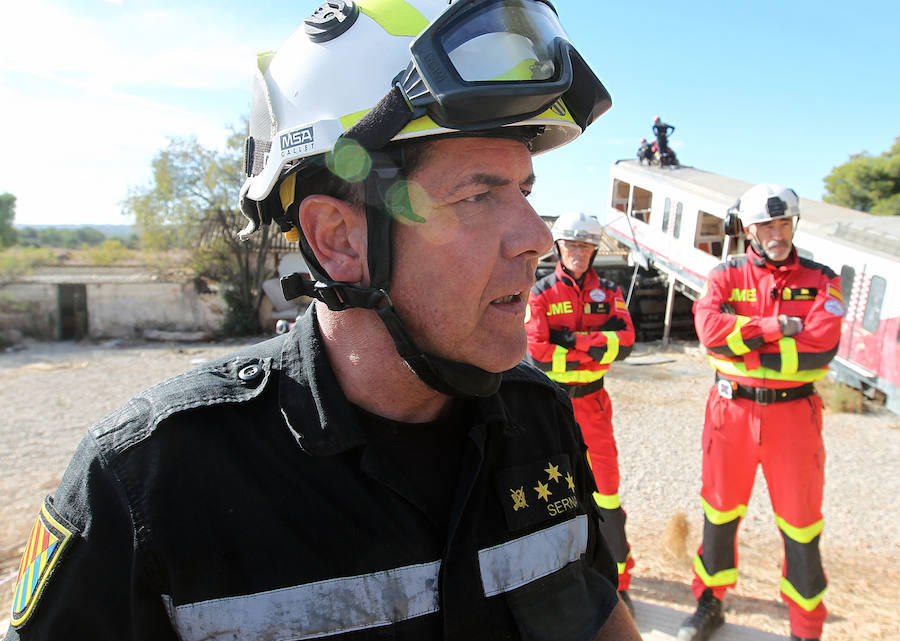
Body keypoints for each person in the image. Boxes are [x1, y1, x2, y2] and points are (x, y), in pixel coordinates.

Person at [4, 2, 642, 640]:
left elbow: (595, 608)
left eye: (525, 192)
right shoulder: (148, 486)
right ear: (339, 240)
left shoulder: (539, 417)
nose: (537, 238)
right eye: (478, 196)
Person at [678, 184, 843, 641]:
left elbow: (819, 352)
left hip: (794, 418)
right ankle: (710, 603)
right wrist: (776, 327)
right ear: (749, 228)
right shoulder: (724, 275)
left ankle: (806, 628)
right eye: (768, 224)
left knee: (802, 524)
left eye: (784, 222)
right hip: (729, 414)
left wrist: (743, 343)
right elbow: (710, 334)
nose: (777, 232)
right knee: (719, 513)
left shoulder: (823, 278)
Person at [524, 212, 637, 613]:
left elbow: (625, 343)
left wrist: (569, 340)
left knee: (606, 491)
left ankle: (618, 579)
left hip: (594, 402)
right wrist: (594, 345)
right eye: (571, 245)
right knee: (551, 492)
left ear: (594, 250)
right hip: (552, 404)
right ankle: (553, 578)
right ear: (558, 248)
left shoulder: (610, 291)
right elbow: (537, 350)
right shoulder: (538, 292)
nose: (578, 253)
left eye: (585, 246)